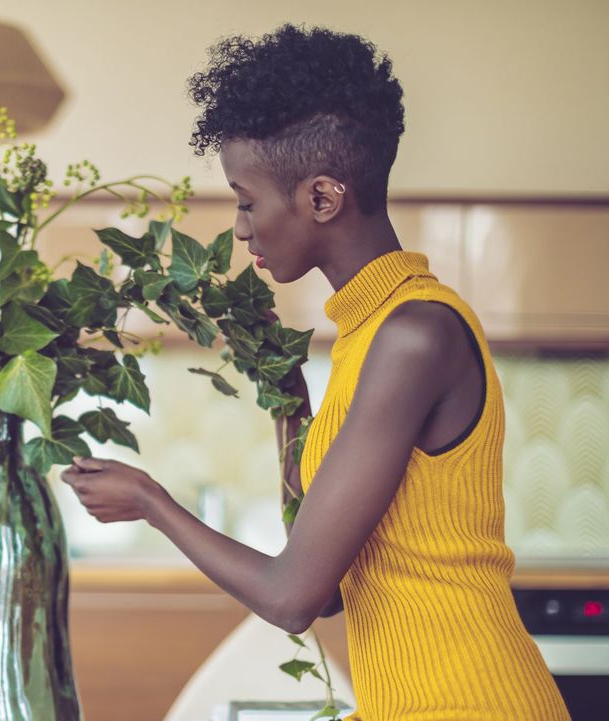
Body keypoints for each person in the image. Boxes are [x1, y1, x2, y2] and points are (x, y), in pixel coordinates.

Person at [60, 24, 571, 721]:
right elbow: (329, 588)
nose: (240, 229)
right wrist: (287, 397)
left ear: (323, 198)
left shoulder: (414, 335)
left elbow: (292, 596)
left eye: (245, 200)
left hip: (471, 700)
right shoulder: (369, 331)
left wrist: (153, 502)